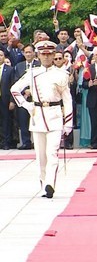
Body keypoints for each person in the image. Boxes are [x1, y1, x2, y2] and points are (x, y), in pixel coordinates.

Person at [10, 40, 73, 198]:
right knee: (41, 156)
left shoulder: (61, 74)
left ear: (53, 55)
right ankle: (43, 181)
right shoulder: (32, 73)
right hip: (37, 116)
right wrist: (26, 105)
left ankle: (50, 184)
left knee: (52, 153)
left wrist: (68, 123)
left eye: (49, 54)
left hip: (55, 115)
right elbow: (15, 89)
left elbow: (67, 100)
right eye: (43, 54)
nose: (46, 57)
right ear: (38, 55)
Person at [14, 44, 40, 150]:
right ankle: (26, 142)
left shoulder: (39, 65)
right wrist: (25, 91)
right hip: (23, 98)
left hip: (36, 98)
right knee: (24, 121)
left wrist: (32, 90)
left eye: (30, 52)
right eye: (26, 52)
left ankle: (37, 143)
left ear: (34, 53)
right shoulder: (19, 66)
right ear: (23, 53)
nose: (28, 54)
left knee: (37, 121)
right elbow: (16, 80)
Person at [0, 50, 15, 149]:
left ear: (4, 57)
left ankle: (5, 142)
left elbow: (13, 85)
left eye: (0, 55)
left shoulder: (10, 69)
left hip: (5, 99)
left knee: (5, 121)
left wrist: (12, 101)